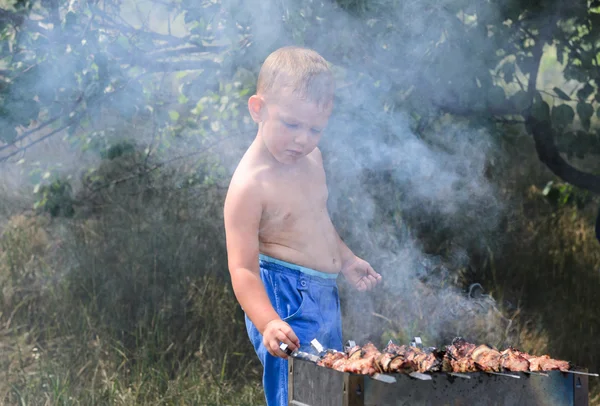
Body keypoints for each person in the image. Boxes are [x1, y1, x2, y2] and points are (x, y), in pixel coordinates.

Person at [223, 46, 382, 406]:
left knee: (331, 393)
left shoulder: (311, 158)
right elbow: (243, 269)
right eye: (292, 124)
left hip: (325, 296)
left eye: (315, 129)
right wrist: (267, 322)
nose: (302, 139)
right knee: (300, 395)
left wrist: (345, 258)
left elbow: (317, 217)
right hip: (285, 299)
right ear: (258, 109)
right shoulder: (250, 185)